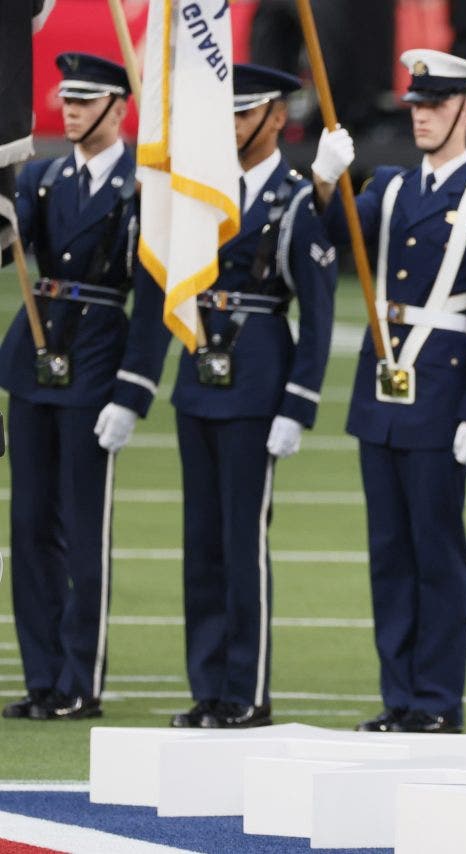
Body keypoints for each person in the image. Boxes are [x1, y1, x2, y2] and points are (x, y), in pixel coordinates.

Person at [310, 50, 466, 734]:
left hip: (442, 391)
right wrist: (323, 183)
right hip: (383, 393)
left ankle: (436, 699)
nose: (424, 116)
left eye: (437, 104)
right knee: (388, 554)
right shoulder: (392, 187)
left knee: (435, 553)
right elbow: (329, 242)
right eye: (417, 105)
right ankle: (399, 694)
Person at [166, 64, 337, 730]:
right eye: (226, 115)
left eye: (243, 114)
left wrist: (298, 403)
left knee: (242, 543)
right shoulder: (202, 192)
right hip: (197, 378)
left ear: (274, 118)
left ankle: (247, 690)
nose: (231, 126)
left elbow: (318, 314)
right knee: (200, 543)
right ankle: (207, 685)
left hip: (257, 379)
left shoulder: (292, 202)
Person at [0, 54, 167, 721]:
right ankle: (41, 676)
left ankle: (79, 678)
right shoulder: (41, 179)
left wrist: (134, 389)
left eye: (85, 100)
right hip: (36, 355)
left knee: (80, 525)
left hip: (97, 356)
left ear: (118, 107)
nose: (69, 111)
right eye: (65, 99)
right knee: (30, 525)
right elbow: (11, 248)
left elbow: (154, 298)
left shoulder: (143, 187)